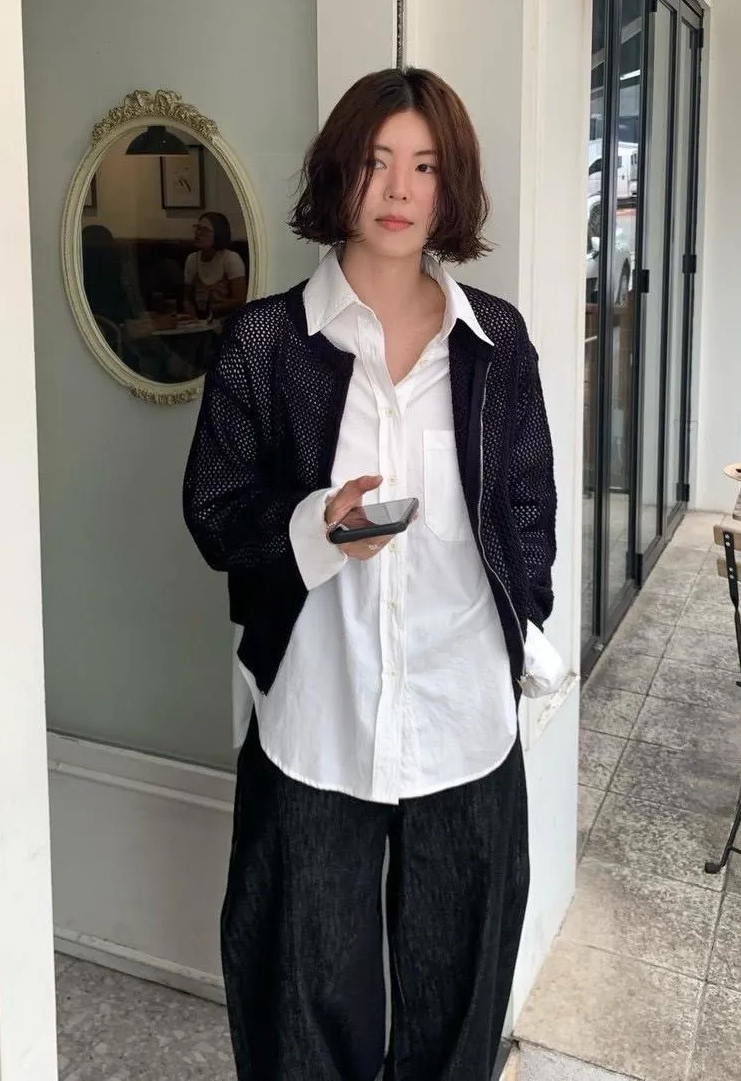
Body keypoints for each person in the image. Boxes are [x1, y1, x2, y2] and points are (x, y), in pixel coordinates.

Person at [183, 68, 562, 1081]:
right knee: (298, 1007)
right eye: (378, 161)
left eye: (425, 166)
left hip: (463, 716)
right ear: (340, 174)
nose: (399, 189)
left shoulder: (496, 342)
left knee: (458, 1008)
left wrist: (523, 628)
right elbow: (215, 509)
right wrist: (316, 526)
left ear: (451, 186)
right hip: (318, 715)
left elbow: (527, 505)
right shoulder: (266, 343)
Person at [183, 211, 247, 320]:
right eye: (197, 228)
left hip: (226, 320)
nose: (198, 233)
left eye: (205, 231)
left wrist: (211, 309)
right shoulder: (192, 259)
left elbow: (240, 301)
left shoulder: (230, 258)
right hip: (199, 321)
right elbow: (187, 298)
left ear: (219, 234)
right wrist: (190, 310)